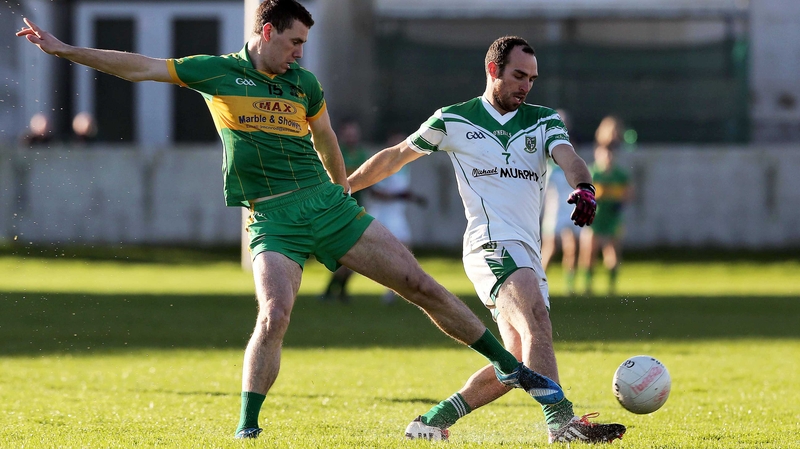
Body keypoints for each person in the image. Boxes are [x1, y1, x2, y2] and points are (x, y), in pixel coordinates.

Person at [17, 2, 560, 441]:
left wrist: (343, 189)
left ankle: (516, 369)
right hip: (271, 217)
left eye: (304, 44)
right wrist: (62, 49)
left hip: (326, 206)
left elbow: (325, 142)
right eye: (295, 40)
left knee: (420, 284)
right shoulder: (217, 72)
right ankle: (248, 428)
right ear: (266, 30)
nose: (301, 52)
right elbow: (137, 66)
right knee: (274, 313)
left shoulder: (303, 84)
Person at [349, 36, 626, 444]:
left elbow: (569, 157)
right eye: (518, 76)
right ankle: (563, 423)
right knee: (537, 318)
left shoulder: (543, 119)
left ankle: (434, 420)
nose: (526, 86)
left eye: (532, 79)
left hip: (527, 250)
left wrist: (584, 186)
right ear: (492, 70)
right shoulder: (454, 120)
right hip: (490, 245)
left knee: (515, 359)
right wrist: (342, 188)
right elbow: (396, 155)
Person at [365, 131, 427, 304]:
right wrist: (399, 196)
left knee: (405, 253)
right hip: (383, 215)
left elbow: (402, 192)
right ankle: (335, 288)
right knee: (366, 256)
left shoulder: (405, 165)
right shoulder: (383, 164)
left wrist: (414, 198)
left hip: (397, 216)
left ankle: (394, 290)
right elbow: (375, 192)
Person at [578, 116, 632, 296]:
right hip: (594, 217)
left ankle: (611, 288)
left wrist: (620, 203)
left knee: (612, 253)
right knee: (589, 252)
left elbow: (629, 193)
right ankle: (586, 287)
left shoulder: (620, 175)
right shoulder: (592, 173)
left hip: (612, 217)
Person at [319, 118, 370, 303]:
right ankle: (335, 291)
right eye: (348, 134)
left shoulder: (361, 154)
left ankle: (334, 291)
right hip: (338, 209)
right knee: (346, 253)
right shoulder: (336, 152)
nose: (351, 138)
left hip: (356, 208)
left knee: (353, 255)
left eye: (354, 134)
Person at [540, 109, 580, 294]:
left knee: (571, 246)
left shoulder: (569, 144)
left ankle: (570, 286)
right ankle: (538, 283)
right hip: (554, 208)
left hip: (569, 205)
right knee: (549, 248)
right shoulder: (543, 143)